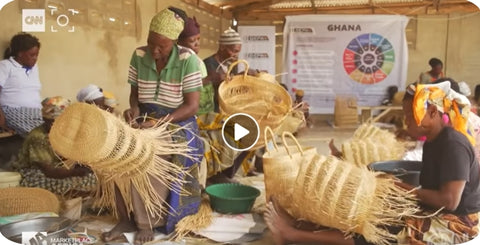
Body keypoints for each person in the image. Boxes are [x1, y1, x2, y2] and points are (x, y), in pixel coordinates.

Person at [266, 81, 480, 245]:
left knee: (384, 230)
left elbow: (450, 200)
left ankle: (294, 234)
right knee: (370, 208)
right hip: (436, 209)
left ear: (432, 112)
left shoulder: (453, 144)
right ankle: (305, 224)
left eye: (409, 115)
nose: (406, 121)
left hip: (457, 223)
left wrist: (406, 190)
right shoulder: (435, 141)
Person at [103, 7, 203, 245]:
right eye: (151, 43)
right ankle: (124, 217)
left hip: (177, 124)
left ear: (175, 42)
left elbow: (191, 107)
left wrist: (158, 123)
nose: (155, 51)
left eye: (162, 46)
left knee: (146, 155)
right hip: (145, 119)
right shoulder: (139, 55)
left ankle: (146, 222)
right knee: (107, 155)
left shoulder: (188, 60)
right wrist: (134, 110)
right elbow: (135, 96)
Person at [11, 96, 96, 197]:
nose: (58, 124)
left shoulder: (65, 132)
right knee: (65, 185)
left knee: (94, 179)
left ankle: (80, 198)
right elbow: (49, 172)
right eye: (53, 121)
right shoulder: (39, 137)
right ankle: (70, 199)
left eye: (62, 121)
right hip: (35, 173)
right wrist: (76, 172)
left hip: (60, 170)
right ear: (44, 119)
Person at [0, 33, 43, 136]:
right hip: (14, 111)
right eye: (32, 55)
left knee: (60, 124)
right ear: (20, 54)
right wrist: (1, 119)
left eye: (37, 55)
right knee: (40, 134)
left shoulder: (34, 67)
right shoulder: (5, 66)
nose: (35, 58)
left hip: (37, 112)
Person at [177, 17, 211, 115]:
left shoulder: (198, 60)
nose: (197, 44)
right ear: (179, 43)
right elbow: (187, 87)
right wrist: (209, 79)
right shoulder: (182, 62)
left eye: (198, 39)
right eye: (192, 41)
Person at [203, 27, 242, 112]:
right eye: (234, 51)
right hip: (212, 113)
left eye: (238, 52)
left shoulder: (230, 65)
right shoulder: (208, 64)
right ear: (222, 47)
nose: (236, 55)